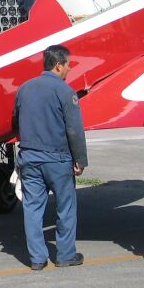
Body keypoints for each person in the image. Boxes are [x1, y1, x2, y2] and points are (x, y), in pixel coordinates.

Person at [12, 44, 88, 270]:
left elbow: (16, 121)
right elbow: (74, 128)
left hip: (29, 158)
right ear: (58, 65)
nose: (69, 69)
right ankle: (65, 255)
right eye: (68, 65)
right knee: (65, 207)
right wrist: (80, 160)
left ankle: (37, 258)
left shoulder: (24, 89)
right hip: (57, 160)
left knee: (32, 208)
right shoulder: (65, 91)